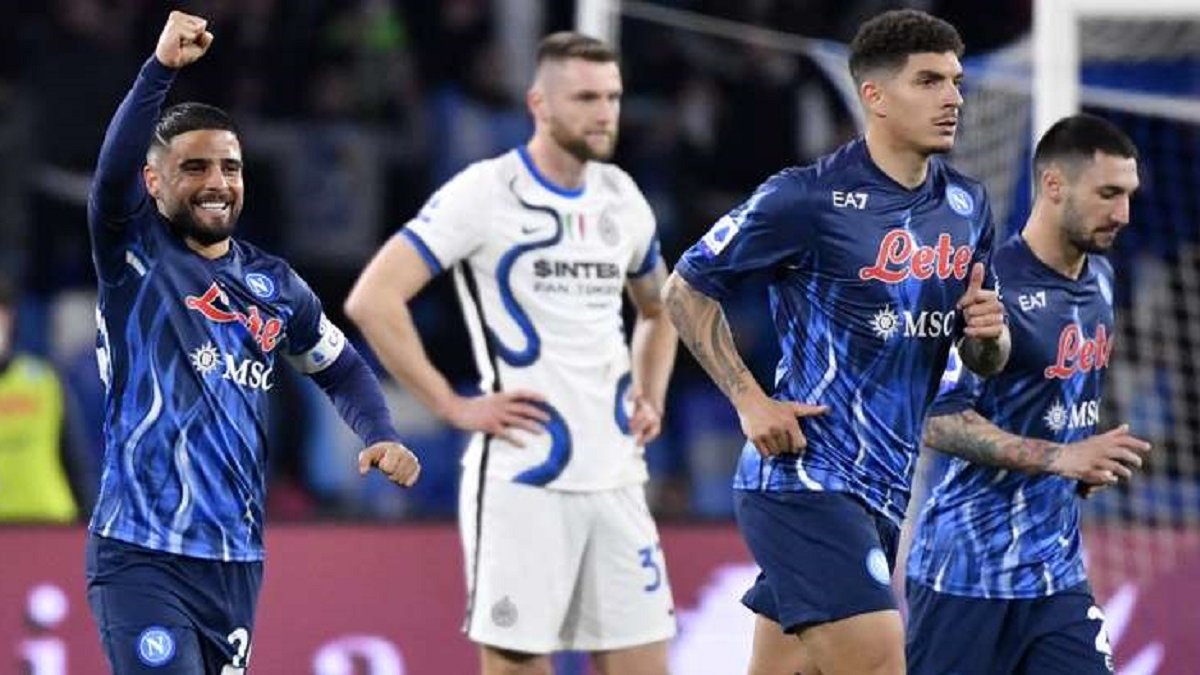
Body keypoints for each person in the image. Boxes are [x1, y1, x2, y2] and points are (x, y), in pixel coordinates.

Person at [663, 9, 1010, 675]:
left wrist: (989, 337)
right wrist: (749, 400)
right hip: (806, 478)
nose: (953, 99)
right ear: (874, 96)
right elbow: (685, 289)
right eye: (929, 81)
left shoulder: (967, 207)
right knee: (880, 662)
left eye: (956, 82)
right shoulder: (807, 197)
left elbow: (979, 357)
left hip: (885, 488)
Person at [84, 12, 420, 674]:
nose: (217, 182)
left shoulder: (276, 285)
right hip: (141, 552)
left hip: (235, 562)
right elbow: (111, 176)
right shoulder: (134, 253)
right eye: (194, 167)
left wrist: (379, 431)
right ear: (154, 183)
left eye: (230, 167)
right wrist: (160, 70)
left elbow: (341, 367)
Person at [345, 31, 678, 675]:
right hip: (524, 481)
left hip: (617, 477)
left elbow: (660, 310)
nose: (605, 113)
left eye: (612, 97)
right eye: (585, 98)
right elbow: (373, 299)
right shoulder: (487, 191)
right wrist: (451, 405)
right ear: (539, 104)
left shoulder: (622, 196)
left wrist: (651, 393)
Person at [906, 114, 1151, 675]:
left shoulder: (1102, 279)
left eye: (1129, 195)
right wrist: (1060, 457)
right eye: (1108, 194)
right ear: (1053, 185)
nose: (1123, 214)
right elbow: (938, 421)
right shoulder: (987, 288)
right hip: (965, 576)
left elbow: (1050, 406)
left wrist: (1083, 464)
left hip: (1055, 576)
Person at [0, 274, 94, 522]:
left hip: (50, 522)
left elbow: (75, 460)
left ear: (10, 317)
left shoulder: (44, 381)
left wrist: (89, 518)